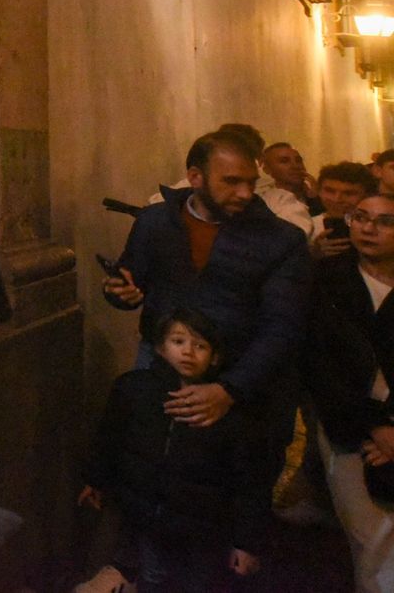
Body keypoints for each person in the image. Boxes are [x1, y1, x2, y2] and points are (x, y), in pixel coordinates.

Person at [103, 130, 311, 487]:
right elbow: (130, 280)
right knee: (159, 477)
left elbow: (283, 325)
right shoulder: (155, 222)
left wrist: (229, 390)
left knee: (236, 489)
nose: (245, 193)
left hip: (244, 386)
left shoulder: (281, 239)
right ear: (195, 177)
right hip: (165, 376)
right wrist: (119, 292)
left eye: (251, 182)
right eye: (231, 182)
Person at [79, 308, 268, 593]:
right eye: (178, 342)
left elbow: (248, 481)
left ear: (215, 356)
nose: (188, 352)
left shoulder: (230, 415)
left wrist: (245, 542)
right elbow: (109, 439)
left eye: (200, 345)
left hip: (203, 529)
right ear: (160, 347)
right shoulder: (134, 390)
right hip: (150, 519)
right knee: (153, 577)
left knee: (198, 583)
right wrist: (96, 479)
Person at [303, 194, 394, 593]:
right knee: (373, 536)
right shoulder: (326, 279)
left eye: (385, 221)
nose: (368, 228)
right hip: (348, 424)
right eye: (361, 218)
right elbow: (320, 364)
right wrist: (376, 427)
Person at [146, 122, 312, 236]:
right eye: (231, 181)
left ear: (258, 161)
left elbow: (296, 235)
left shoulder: (279, 200)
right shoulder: (181, 194)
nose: (244, 194)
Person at [311, 160, 376, 261]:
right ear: (319, 191)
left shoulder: (379, 228)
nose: (337, 199)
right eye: (329, 191)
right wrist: (312, 255)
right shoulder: (307, 228)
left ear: (367, 195)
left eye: (349, 193)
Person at [262, 141, 322, 214]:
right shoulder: (264, 204)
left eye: (298, 160)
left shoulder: (318, 198)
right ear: (267, 169)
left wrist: (315, 199)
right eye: (284, 161)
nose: (295, 166)